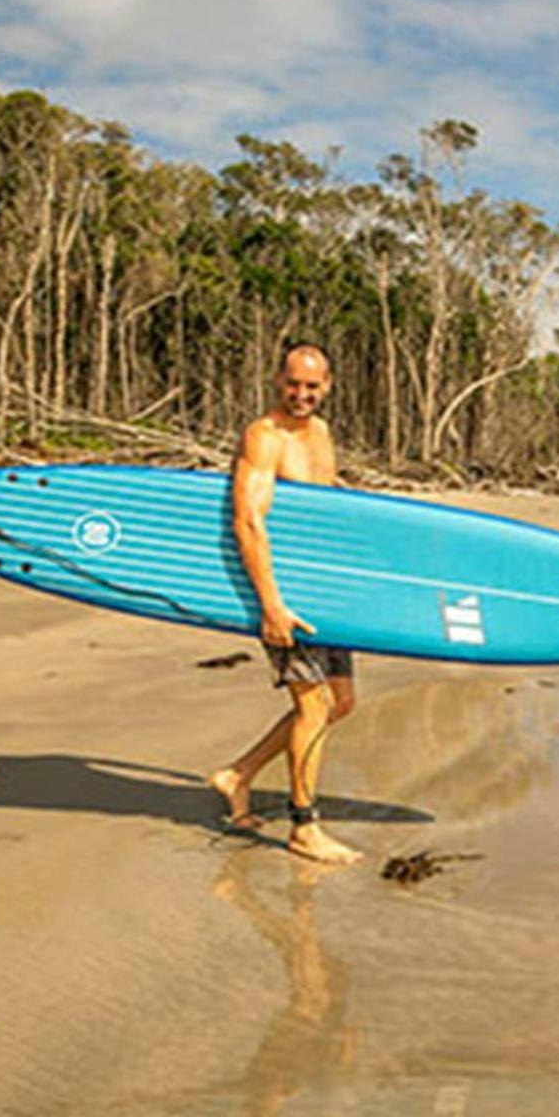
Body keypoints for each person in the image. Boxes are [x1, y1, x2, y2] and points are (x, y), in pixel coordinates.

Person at [209, 344, 363, 865]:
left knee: (339, 703)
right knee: (313, 705)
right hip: (283, 593)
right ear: (279, 380)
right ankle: (304, 826)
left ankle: (238, 775)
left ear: (329, 385)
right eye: (293, 384)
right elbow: (248, 522)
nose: (301, 395)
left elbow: (316, 504)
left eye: (312, 386)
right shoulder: (264, 437)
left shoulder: (320, 432)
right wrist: (271, 606)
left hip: (323, 587)